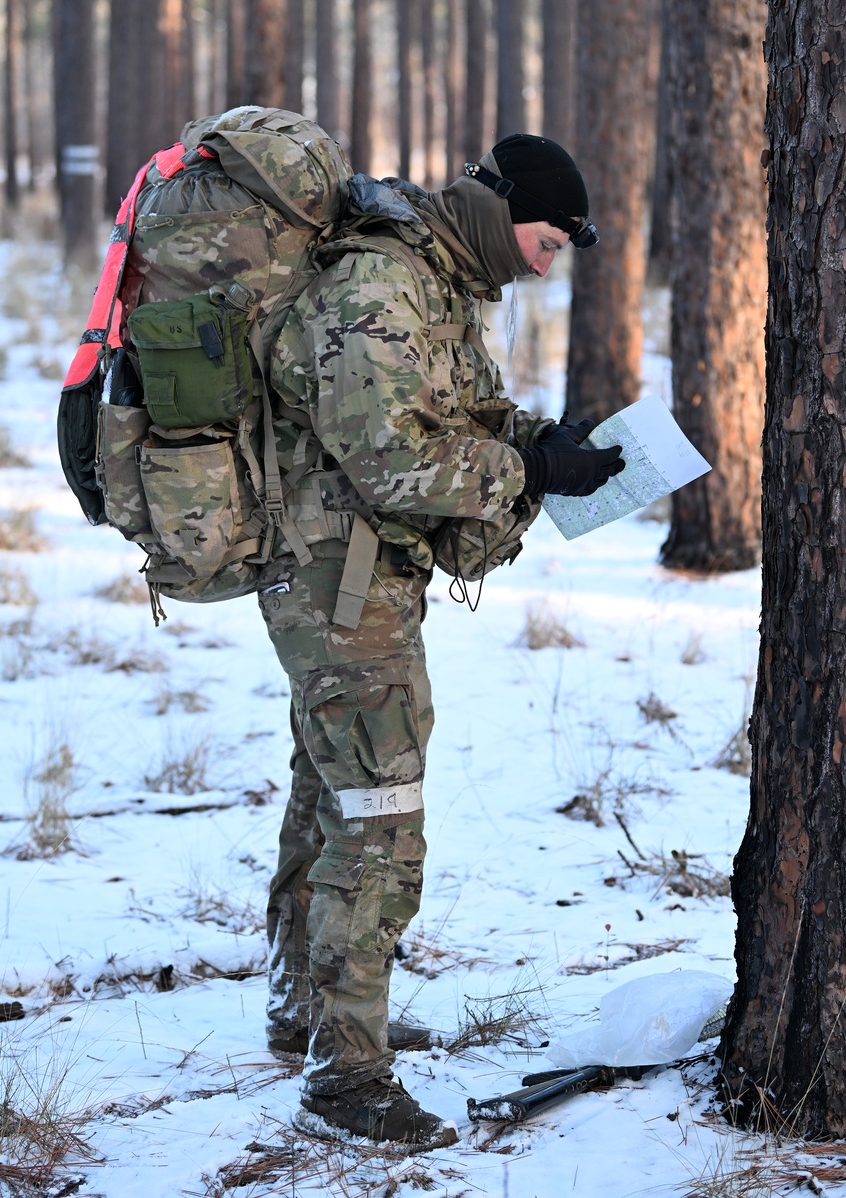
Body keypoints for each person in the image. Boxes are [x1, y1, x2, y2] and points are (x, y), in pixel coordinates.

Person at [259, 134, 626, 1150]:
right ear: (499, 210)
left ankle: (314, 1013)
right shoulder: (382, 283)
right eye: (546, 241)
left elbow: (437, 420)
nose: (547, 264)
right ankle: (348, 1080)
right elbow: (392, 462)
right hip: (338, 585)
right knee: (379, 818)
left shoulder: (437, 280)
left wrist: (541, 447)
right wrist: (527, 474)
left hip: (358, 579)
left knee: (330, 794)